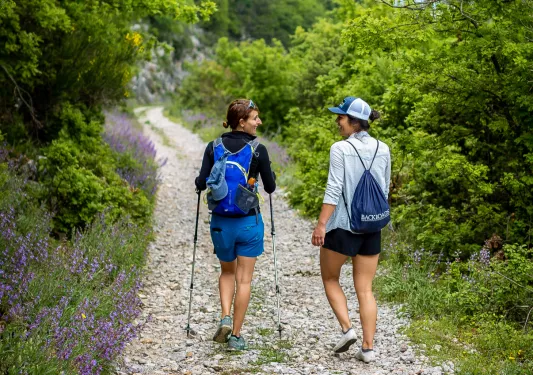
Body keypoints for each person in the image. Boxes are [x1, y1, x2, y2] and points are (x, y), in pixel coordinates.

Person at [311, 96, 391, 363]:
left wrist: (322, 224)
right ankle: (368, 348)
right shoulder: (384, 148)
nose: (337, 121)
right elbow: (385, 187)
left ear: (355, 122)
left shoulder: (340, 149)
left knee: (330, 278)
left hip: (343, 226)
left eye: (341, 117)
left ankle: (347, 329)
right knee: (365, 289)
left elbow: (333, 188)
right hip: (372, 226)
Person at [195, 99, 276, 351]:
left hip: (221, 224)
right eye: (255, 118)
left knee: (227, 272)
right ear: (241, 122)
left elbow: (200, 182)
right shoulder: (258, 149)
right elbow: (271, 187)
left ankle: (225, 316)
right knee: (245, 280)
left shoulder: (213, 146)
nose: (259, 122)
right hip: (248, 223)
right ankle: (237, 337)